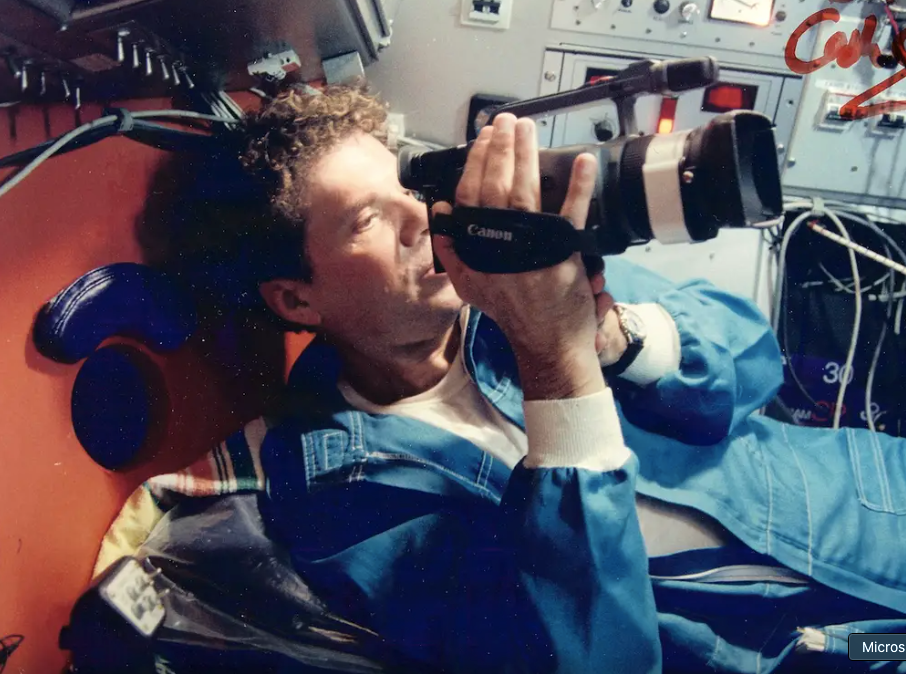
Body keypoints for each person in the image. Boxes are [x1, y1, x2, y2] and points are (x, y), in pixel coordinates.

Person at [131, 83, 906, 674]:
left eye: (406, 186)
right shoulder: (338, 502)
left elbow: (752, 363)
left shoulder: (517, 278)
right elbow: (588, 652)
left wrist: (615, 339)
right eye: (365, 220)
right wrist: (556, 362)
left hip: (875, 508)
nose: (419, 218)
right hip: (821, 649)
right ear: (296, 297)